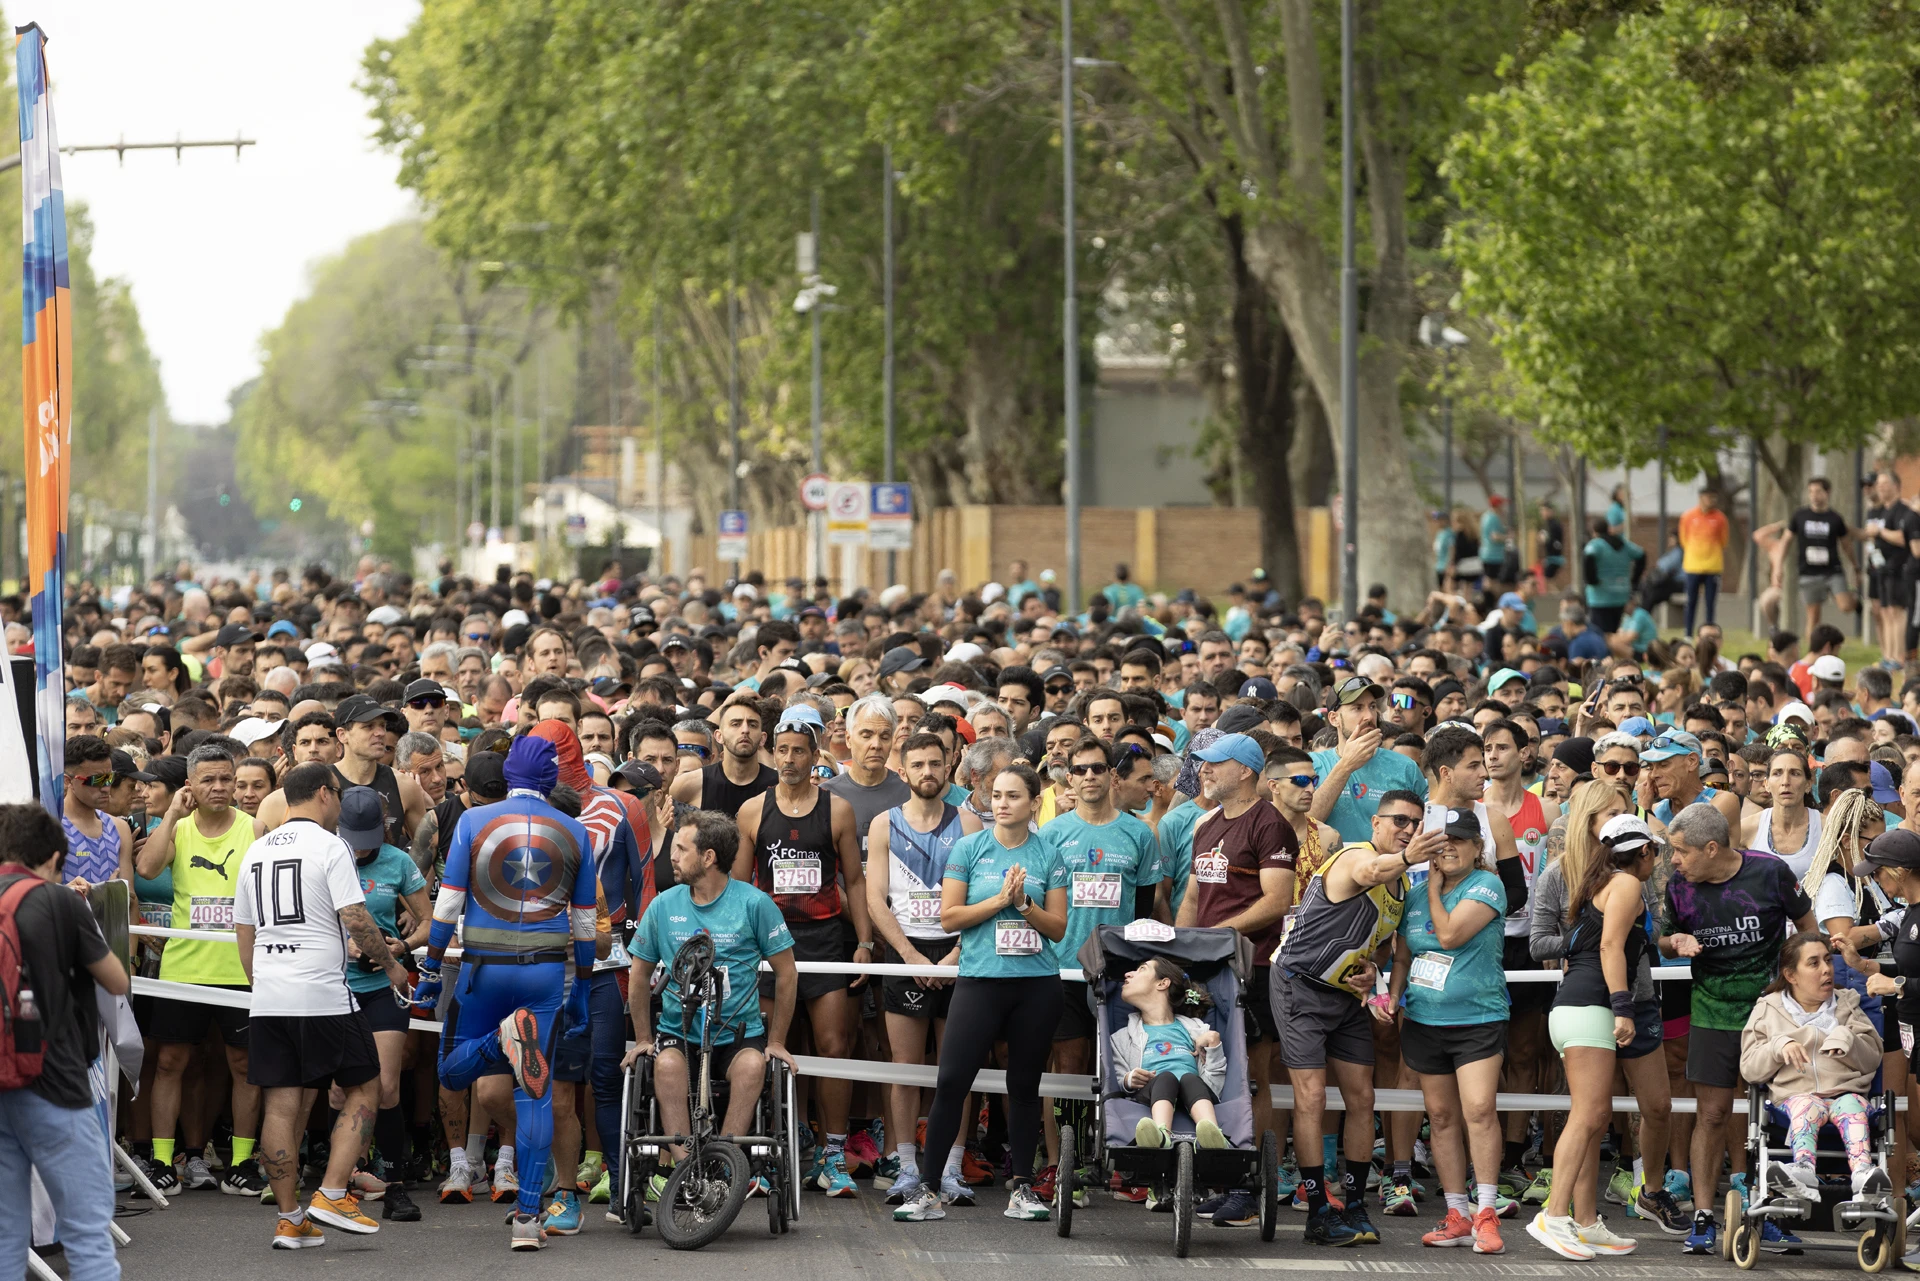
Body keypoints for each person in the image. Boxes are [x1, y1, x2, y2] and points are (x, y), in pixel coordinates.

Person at [411, 735, 597, 1250]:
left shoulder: (472, 821)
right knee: (535, 1096)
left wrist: (429, 971)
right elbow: (584, 923)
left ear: (509, 772)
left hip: (484, 969)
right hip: (544, 975)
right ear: (551, 778)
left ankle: (498, 1045)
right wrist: (580, 984)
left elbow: (446, 906)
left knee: (451, 1071)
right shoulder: (576, 832)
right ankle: (529, 1220)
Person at [235, 765, 412, 1248]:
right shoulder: (329, 844)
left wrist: (263, 983)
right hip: (322, 993)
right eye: (336, 794)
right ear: (321, 794)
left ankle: (291, 1217)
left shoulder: (254, 851)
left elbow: (245, 933)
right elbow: (355, 917)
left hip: (270, 996)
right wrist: (394, 969)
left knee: (281, 1103)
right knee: (365, 1086)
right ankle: (333, 1190)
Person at [893, 763, 1069, 1225]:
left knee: (1024, 1087)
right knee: (951, 1081)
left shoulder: (1050, 853)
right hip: (980, 982)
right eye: (996, 795)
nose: (1003, 803)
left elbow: (1058, 929)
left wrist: (1024, 905)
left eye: (1014, 795)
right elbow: (949, 918)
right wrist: (998, 901)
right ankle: (928, 1188)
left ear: (1034, 803)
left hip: (1035, 985)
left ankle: (1024, 1188)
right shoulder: (969, 847)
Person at [1276, 789, 1432, 1247]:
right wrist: (1408, 857)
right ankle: (1317, 1211)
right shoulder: (1355, 856)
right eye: (1398, 820)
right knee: (1310, 1098)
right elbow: (1371, 873)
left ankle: (1355, 1202)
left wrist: (1371, 969)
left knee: (1362, 1098)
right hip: (1299, 984)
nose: (1406, 829)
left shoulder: (1402, 887)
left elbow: (1381, 946)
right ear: (1376, 824)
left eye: (1415, 823)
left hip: (1345, 995)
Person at [1658, 802, 1815, 1254]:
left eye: (1681, 852)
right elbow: (1664, 937)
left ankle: (1766, 1213)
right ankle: (1704, 1216)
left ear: (1711, 848)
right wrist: (1676, 941)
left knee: (1769, 1116)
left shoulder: (1770, 872)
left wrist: (1792, 984)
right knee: (1711, 1115)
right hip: (1710, 1012)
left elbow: (1807, 928)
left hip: (1769, 1015)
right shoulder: (1679, 888)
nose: (1674, 860)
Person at [732, 706, 871, 1196]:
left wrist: (865, 942)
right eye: (783, 751)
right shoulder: (753, 809)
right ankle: (771, 1152)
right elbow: (738, 886)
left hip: (824, 940)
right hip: (770, 947)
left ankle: (832, 1152)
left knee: (834, 1047)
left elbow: (854, 880)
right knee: (772, 1047)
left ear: (816, 757)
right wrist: (739, 946)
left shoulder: (837, 809)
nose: (789, 759)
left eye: (799, 751)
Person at [622, 810, 798, 1185]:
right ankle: (687, 1170)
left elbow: (787, 973)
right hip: (679, 1031)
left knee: (752, 1068)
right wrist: (642, 1038)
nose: (672, 855)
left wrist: (778, 1041)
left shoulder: (754, 904)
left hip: (736, 1032)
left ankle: (725, 1164)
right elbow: (637, 976)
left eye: (681, 849)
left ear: (709, 857)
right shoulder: (663, 906)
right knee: (667, 1068)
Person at [0, 802, 132, 1281]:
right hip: (53, 1078)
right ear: (56, 858)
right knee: (87, 1230)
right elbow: (116, 981)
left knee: (3, 1233)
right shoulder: (56, 900)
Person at [1529, 792, 1659, 1260]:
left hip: (1576, 1010)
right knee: (1586, 1117)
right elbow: (1609, 949)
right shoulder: (1626, 884)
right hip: (1589, 1009)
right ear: (1643, 851)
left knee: (1594, 1115)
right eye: (1655, 851)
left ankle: (1584, 1221)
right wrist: (1624, 1007)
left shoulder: (1597, 880)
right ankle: (1554, 1214)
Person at [133, 743, 265, 1195]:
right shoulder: (179, 828)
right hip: (184, 965)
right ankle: (162, 1161)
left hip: (240, 966)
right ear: (190, 784)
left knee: (244, 1064)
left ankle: (244, 1162)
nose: (220, 787)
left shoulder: (255, 828)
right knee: (170, 1061)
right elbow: (147, 868)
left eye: (226, 778)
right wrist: (170, 815)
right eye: (208, 779)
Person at [1175, 732, 1295, 1225]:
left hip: (1255, 967)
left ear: (1245, 770)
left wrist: (1218, 934)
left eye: (1213, 763)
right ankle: (1224, 1178)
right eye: (1201, 763)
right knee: (1212, 1073)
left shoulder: (1270, 824)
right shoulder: (1206, 824)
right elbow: (1191, 897)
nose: (1203, 770)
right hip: (1205, 969)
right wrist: (1177, 951)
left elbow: (1278, 899)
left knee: (1252, 1079)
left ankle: (1251, 1184)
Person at [1039, 736, 1163, 1196]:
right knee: (1066, 1066)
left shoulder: (1138, 834)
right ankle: (1061, 1166)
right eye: (1079, 770)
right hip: (1063, 969)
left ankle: (1129, 1163)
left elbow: (1147, 911)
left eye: (1097, 768)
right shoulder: (1051, 834)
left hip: (1120, 974)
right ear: (1068, 778)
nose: (1088, 776)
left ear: (1112, 775)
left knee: (1128, 1066)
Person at [865, 731, 981, 1205]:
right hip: (904, 949)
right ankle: (908, 1167)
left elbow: (981, 897)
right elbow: (875, 898)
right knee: (905, 1066)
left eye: (936, 763)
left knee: (957, 1069)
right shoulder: (883, 824)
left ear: (950, 763)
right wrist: (909, 956)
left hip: (959, 949)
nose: (928, 772)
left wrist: (954, 957)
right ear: (903, 770)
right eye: (918, 765)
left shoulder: (970, 823)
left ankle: (951, 1170)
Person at [1388, 807, 1507, 1256]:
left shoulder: (1486, 884)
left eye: (1459, 840)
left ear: (1478, 849)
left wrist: (1434, 890)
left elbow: (1451, 935)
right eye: (1441, 842)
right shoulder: (1414, 895)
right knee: (1440, 1117)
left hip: (1477, 1019)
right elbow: (1403, 954)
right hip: (1423, 1020)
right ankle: (1457, 1213)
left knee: (1478, 1110)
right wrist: (1392, 997)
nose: (1449, 848)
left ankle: (1487, 1212)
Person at [333, 784, 430, 1222]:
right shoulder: (325, 856)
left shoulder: (398, 861)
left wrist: (401, 947)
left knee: (387, 1087)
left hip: (382, 987)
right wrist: (343, 946)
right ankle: (344, 1181)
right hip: (336, 986)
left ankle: (395, 1184)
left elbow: (430, 922)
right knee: (341, 1091)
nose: (361, 850)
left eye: (369, 840)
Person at [1739, 933, 1887, 1199]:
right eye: (1814, 963)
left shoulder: (1848, 1004)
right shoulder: (1768, 1009)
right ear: (1791, 975)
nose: (1826, 969)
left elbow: (1873, 1059)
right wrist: (1778, 1046)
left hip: (1846, 1095)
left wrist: (1849, 1039)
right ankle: (1804, 1168)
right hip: (1795, 1099)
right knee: (1806, 1104)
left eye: (1828, 960)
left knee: (1852, 1105)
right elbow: (1749, 1068)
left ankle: (1864, 1174)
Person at [1114, 958, 1226, 1149]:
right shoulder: (1123, 1037)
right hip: (1151, 1090)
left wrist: (1214, 1044)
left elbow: (1215, 1083)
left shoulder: (1197, 1030)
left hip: (1194, 1089)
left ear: (1163, 983)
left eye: (1141, 969)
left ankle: (1213, 1136)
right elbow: (1117, 1078)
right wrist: (1129, 1079)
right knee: (1166, 1078)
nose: (1128, 974)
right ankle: (1160, 1135)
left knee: (1190, 1079)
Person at [1311, 674, 1429, 844]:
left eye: (1372, 706)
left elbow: (1423, 826)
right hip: (1332, 868)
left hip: (1390, 867)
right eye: (1357, 708)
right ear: (1334, 718)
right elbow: (1307, 824)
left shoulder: (1405, 767)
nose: (1369, 716)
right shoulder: (1314, 764)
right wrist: (1346, 766)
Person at [1781, 478, 1858, 638]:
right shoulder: (1800, 516)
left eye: (1818, 491)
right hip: (1808, 572)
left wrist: (1855, 565)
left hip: (1832, 570)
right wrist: (1778, 566)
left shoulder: (1835, 518)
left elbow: (1846, 545)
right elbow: (1786, 541)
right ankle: (1813, 653)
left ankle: (1856, 601)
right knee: (1813, 616)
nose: (1814, 496)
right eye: (1811, 492)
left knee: (1845, 606)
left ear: (1827, 493)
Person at [1677, 488, 1729, 634]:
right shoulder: (1688, 516)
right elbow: (1683, 539)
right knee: (1691, 601)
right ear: (1701, 497)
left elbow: (1724, 541)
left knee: (1710, 603)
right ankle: (1688, 632)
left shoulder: (1720, 518)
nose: (1712, 501)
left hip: (1713, 566)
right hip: (1693, 566)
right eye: (1709, 497)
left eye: (1714, 497)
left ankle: (1709, 632)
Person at [1582, 518, 1646, 635]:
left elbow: (1588, 558)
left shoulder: (1596, 544)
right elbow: (1641, 554)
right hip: (1620, 595)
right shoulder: (1624, 544)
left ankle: (1603, 653)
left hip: (1599, 596)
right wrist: (1634, 580)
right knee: (1614, 631)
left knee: (1600, 633)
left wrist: (1592, 580)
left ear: (1594, 532)